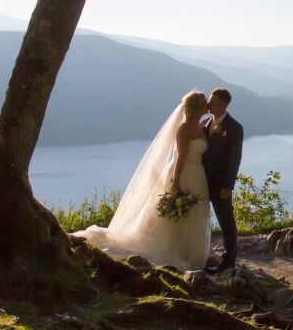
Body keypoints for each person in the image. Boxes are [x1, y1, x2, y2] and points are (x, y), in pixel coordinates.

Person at [72, 90, 211, 271]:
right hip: (184, 173)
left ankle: (192, 254)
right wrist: (175, 183)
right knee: (180, 216)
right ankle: (176, 251)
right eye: (204, 102)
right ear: (196, 108)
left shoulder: (202, 126)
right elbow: (180, 158)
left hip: (198, 175)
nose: (207, 104)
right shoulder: (184, 129)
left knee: (196, 214)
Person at [201, 87, 243, 273]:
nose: (209, 104)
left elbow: (235, 159)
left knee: (226, 221)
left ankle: (229, 260)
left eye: (213, 101)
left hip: (220, 184)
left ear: (223, 104)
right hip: (201, 180)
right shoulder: (205, 122)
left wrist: (228, 185)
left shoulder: (234, 127)